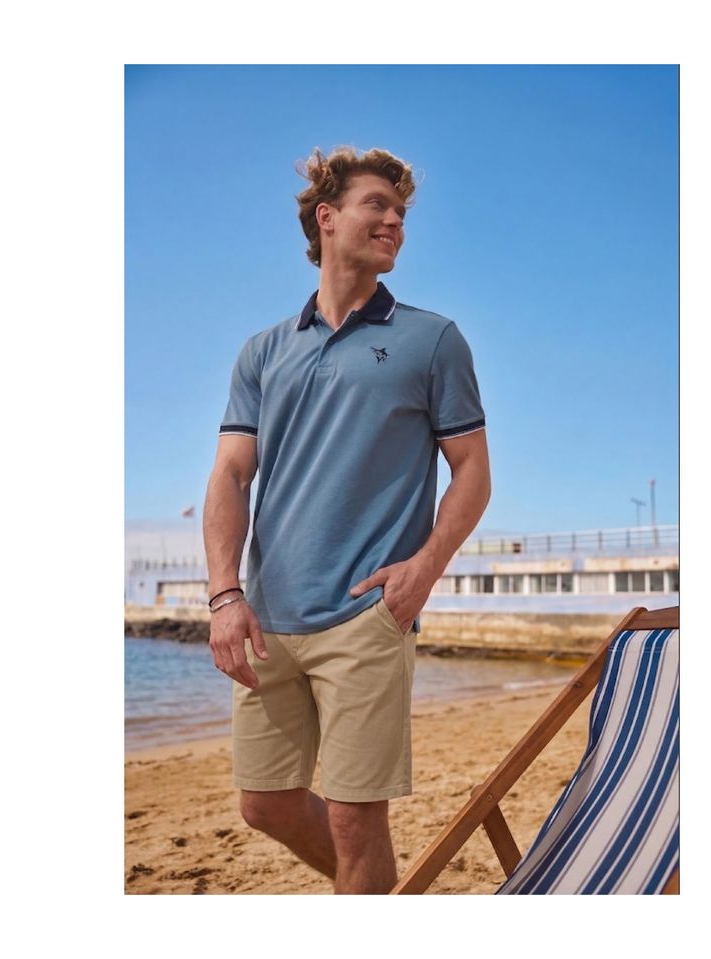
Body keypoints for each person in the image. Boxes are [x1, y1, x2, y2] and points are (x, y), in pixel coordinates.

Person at [203, 146, 491, 894]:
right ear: (327, 218)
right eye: (377, 205)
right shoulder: (264, 351)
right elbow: (233, 474)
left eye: (401, 212)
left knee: (358, 823)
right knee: (263, 803)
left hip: (366, 614)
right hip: (267, 619)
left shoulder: (433, 339)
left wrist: (422, 571)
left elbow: (473, 473)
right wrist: (224, 595)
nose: (394, 220)